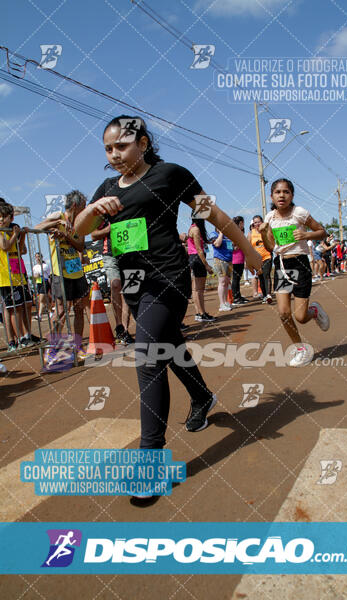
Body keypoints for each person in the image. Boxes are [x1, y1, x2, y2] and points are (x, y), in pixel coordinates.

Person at [75, 115, 262, 460]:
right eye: (108, 148)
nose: (114, 153)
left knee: (148, 357)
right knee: (168, 346)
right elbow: (78, 231)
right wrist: (92, 209)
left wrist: (248, 249)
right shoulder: (106, 190)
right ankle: (202, 396)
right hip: (134, 287)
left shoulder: (171, 175)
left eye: (122, 145)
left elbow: (214, 214)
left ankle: (152, 457)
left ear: (142, 144)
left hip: (168, 279)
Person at [259, 178, 330, 367]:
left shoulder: (299, 213)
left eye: (286, 192)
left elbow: (322, 232)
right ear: (272, 196)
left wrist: (307, 235)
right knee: (283, 312)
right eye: (277, 192)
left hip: (300, 263)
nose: (282, 195)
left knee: (300, 317)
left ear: (292, 195)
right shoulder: (269, 218)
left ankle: (313, 311)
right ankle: (301, 349)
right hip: (282, 265)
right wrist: (264, 233)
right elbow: (270, 246)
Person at [36, 190, 90, 359]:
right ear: (75, 206)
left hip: (76, 271)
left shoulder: (80, 223)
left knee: (80, 309)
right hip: (60, 273)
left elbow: (80, 246)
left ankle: (78, 345)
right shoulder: (58, 216)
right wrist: (56, 223)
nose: (85, 210)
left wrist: (66, 236)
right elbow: (36, 228)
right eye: (83, 207)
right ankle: (51, 347)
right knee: (61, 311)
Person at [90, 219, 134, 344]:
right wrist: (109, 229)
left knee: (129, 290)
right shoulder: (104, 215)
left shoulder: (127, 209)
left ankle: (124, 329)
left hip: (128, 252)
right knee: (115, 285)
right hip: (110, 254)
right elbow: (93, 235)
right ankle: (119, 325)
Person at [0, 201, 35, 351]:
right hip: (6, 278)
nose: (1, 220)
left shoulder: (11, 230)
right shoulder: (1, 232)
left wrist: (23, 235)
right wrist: (15, 235)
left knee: (23, 306)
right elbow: (5, 247)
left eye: (4, 217)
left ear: (11, 217)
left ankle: (27, 336)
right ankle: (19, 338)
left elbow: (22, 251)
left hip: (18, 275)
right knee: (13, 308)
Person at [187, 218, 215, 322]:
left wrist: (209, 241)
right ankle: (202, 314)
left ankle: (199, 313)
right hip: (197, 259)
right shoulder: (196, 230)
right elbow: (199, 249)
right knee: (199, 289)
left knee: (195, 289)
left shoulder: (192, 228)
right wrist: (207, 266)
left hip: (193, 258)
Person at [249, 214, 273, 304]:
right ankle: (264, 295)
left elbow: (272, 242)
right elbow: (248, 247)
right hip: (257, 260)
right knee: (261, 277)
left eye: (259, 222)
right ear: (253, 224)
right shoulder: (251, 234)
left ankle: (269, 295)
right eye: (255, 222)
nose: (257, 224)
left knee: (266, 275)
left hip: (267, 256)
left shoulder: (267, 231)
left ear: (262, 222)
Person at [209, 227, 234, 312]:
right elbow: (217, 244)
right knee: (222, 281)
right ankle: (221, 304)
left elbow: (231, 247)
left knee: (226, 282)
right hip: (220, 260)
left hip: (229, 260)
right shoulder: (213, 234)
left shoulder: (228, 236)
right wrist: (221, 233)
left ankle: (226, 302)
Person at [231, 216, 250, 306]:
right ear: (240, 223)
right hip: (235, 259)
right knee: (235, 278)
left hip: (241, 258)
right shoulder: (234, 232)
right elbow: (232, 245)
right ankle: (236, 298)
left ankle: (238, 296)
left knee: (238, 278)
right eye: (242, 223)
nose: (243, 225)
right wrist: (238, 245)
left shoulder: (240, 232)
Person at [32, 253, 51, 321]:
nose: (38, 258)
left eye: (39, 257)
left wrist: (51, 285)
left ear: (42, 257)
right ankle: (51, 312)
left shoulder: (45, 266)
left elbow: (49, 275)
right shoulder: (34, 267)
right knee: (44, 299)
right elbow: (33, 276)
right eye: (36, 257)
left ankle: (39, 315)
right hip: (38, 283)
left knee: (41, 299)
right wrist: (35, 276)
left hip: (45, 282)